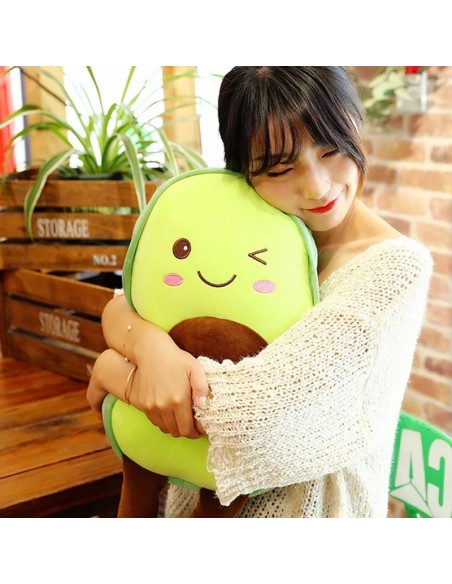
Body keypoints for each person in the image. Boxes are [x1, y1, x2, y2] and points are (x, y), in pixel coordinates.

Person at [87, 66, 433, 518]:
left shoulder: (393, 269)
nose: (317, 186)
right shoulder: (245, 226)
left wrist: (115, 373)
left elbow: (256, 419)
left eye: (330, 150)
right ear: (243, 171)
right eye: (280, 168)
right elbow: (129, 303)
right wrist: (150, 347)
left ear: (353, 123)